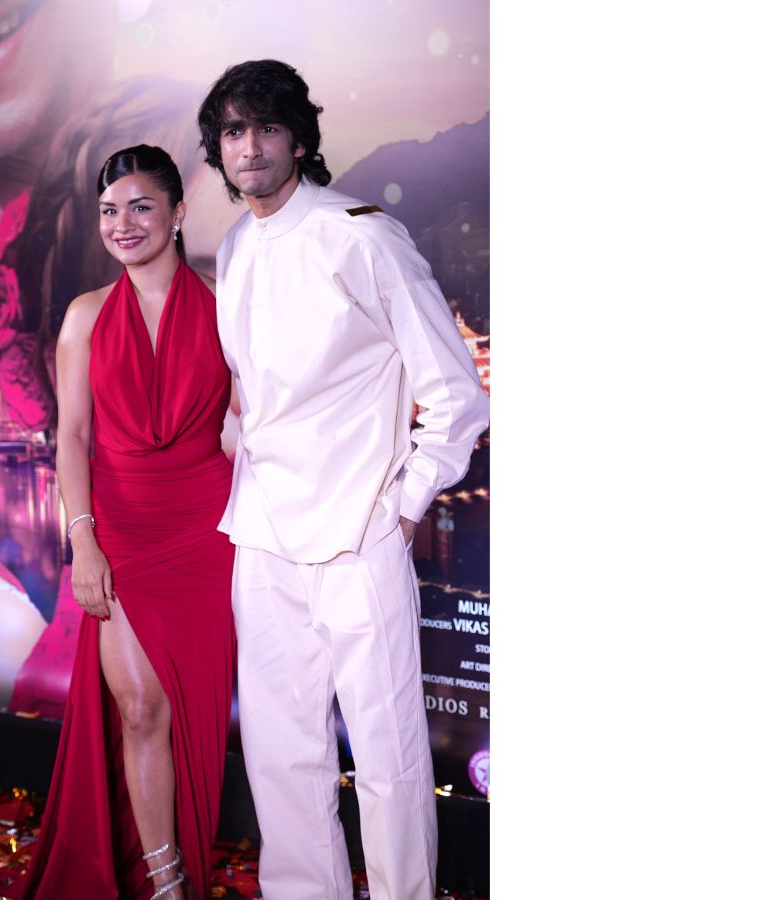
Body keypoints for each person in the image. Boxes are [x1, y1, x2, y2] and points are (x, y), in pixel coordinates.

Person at [197, 60, 490, 900]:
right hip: (263, 533)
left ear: (298, 139)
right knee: (280, 753)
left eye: (265, 127)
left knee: (389, 756)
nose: (249, 147)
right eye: (232, 131)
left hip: (360, 531)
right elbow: (256, 394)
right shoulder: (239, 245)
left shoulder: (362, 235)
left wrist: (403, 505)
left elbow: (456, 393)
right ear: (219, 150)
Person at [25, 145, 236, 900]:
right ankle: (167, 884)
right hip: (118, 530)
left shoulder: (227, 306)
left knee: (192, 712)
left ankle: (179, 868)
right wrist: (82, 540)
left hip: (206, 532)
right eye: (109, 210)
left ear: (177, 212)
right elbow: (72, 437)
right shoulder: (85, 316)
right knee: (140, 708)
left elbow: (261, 421)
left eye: (141, 206)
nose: (123, 224)